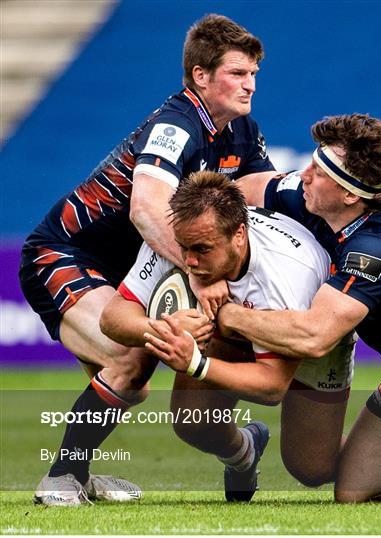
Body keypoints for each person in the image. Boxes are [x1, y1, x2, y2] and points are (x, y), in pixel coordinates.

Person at [19, 14, 277, 506]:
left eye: (254, 75)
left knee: (128, 380)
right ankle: (62, 477)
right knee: (130, 358)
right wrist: (200, 275)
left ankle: (242, 447)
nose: (250, 85)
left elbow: (260, 196)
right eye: (238, 74)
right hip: (66, 253)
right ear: (201, 76)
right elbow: (146, 209)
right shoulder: (176, 125)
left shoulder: (241, 130)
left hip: (128, 264)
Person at [218, 113, 381, 504]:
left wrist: (227, 314)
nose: (304, 175)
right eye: (312, 163)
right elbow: (244, 188)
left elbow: (313, 336)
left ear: (350, 195)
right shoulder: (310, 197)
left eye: (320, 171)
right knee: (353, 491)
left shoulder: (376, 248)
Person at [100, 170, 355, 501]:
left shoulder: (286, 274)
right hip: (233, 327)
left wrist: (195, 363)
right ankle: (244, 452)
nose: (189, 260)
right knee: (192, 422)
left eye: (202, 249)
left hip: (305, 336)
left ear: (239, 235)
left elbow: (273, 386)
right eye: (184, 247)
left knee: (312, 470)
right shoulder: (184, 236)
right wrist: (165, 331)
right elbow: (112, 318)